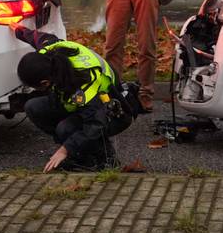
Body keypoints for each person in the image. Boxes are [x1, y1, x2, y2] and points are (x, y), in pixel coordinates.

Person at [12, 23, 134, 173]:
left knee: (66, 128)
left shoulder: (81, 87)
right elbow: (38, 37)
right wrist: (19, 30)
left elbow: (95, 124)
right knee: (33, 107)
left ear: (45, 82)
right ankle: (77, 150)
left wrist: (65, 150)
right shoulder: (49, 53)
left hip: (112, 112)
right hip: (84, 106)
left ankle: (104, 159)